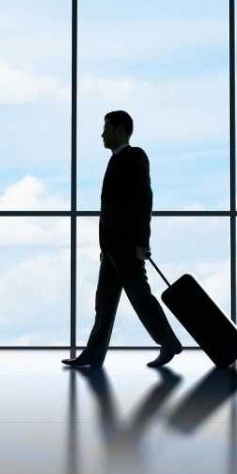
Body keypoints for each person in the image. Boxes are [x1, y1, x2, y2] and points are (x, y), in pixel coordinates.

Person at [62, 110, 182, 369]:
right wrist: (104, 246)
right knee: (104, 304)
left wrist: (142, 243)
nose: (102, 134)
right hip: (112, 248)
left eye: (106, 128)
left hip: (127, 246)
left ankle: (169, 342)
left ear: (119, 129)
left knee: (140, 298)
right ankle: (93, 355)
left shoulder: (135, 156)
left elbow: (144, 200)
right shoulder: (115, 160)